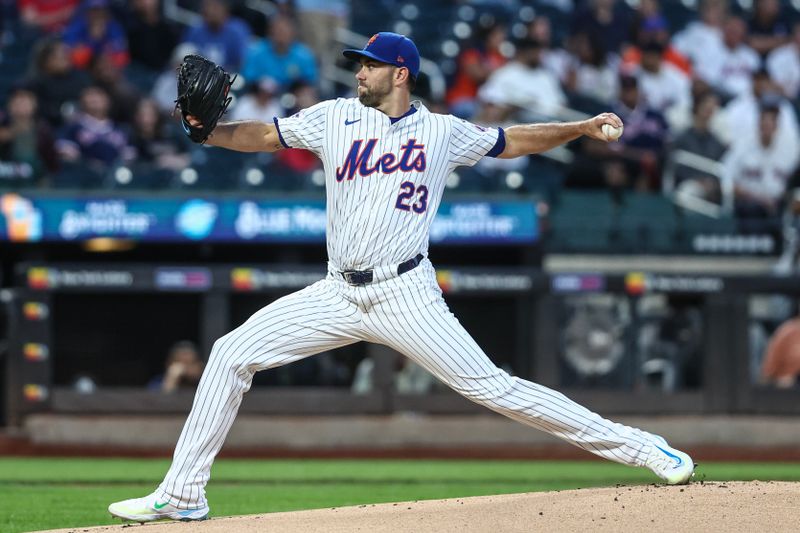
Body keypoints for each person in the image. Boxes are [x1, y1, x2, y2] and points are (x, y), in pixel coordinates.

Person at [107, 31, 695, 523]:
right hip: (338, 291)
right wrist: (205, 132)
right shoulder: (333, 118)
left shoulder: (440, 132)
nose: (358, 74)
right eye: (357, 66)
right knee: (231, 353)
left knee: (493, 388)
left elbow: (512, 140)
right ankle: (183, 495)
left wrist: (579, 127)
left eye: (368, 67)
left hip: (405, 291)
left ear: (401, 74)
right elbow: (263, 135)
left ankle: (646, 448)